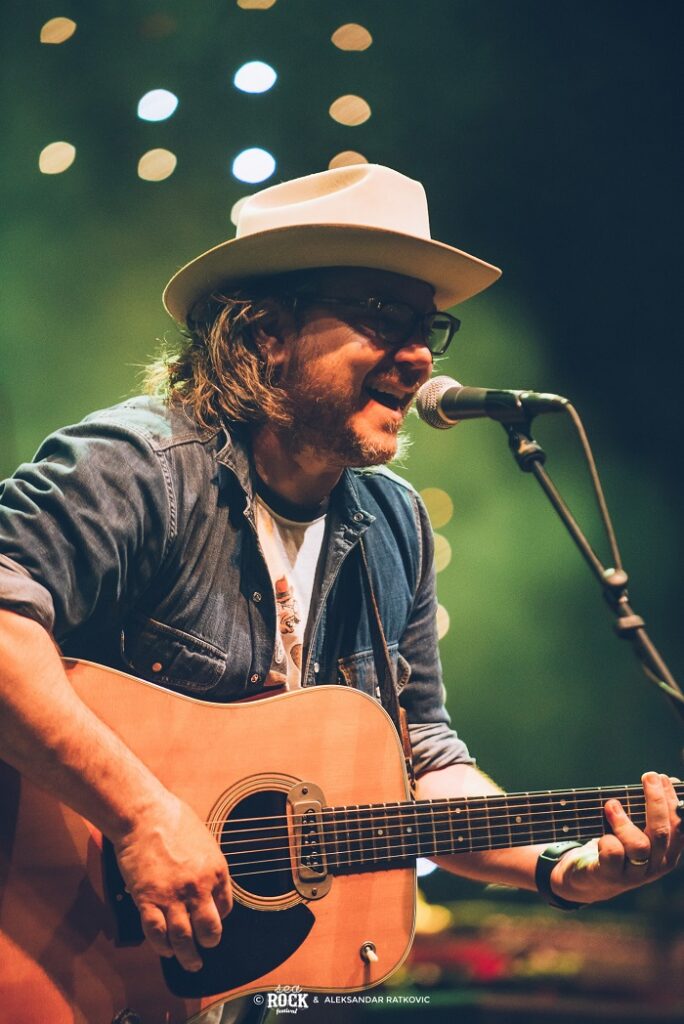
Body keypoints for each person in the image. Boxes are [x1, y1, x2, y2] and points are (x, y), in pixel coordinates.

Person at [0, 164, 681, 1022]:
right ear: (265, 333)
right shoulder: (137, 468)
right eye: (382, 316)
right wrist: (141, 817)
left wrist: (560, 868)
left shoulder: (394, 522)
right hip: (46, 951)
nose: (421, 356)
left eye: (428, 327)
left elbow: (424, 767)